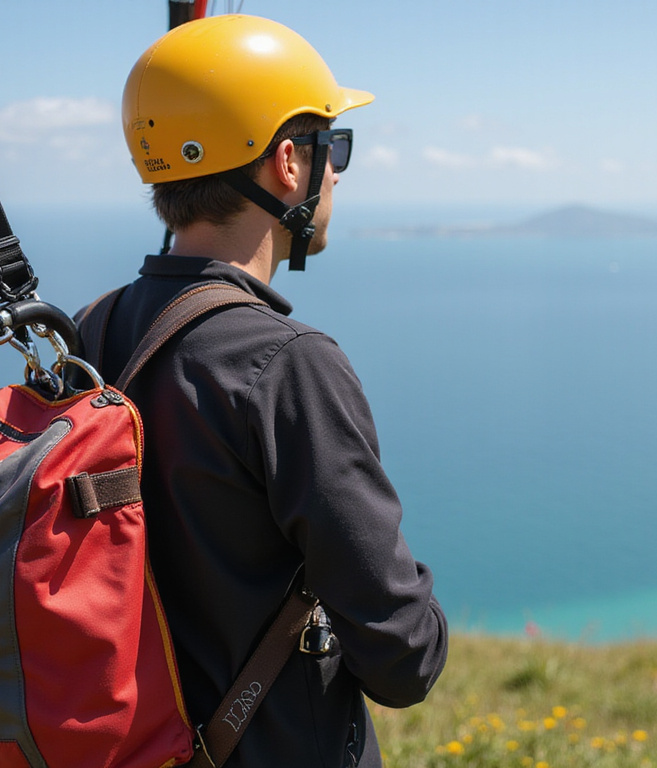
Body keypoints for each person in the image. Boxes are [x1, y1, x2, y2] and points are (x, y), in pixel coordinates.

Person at [87, 14, 448, 767]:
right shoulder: (289, 365)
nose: (338, 171)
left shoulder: (93, 330)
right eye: (333, 146)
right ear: (288, 161)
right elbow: (403, 659)